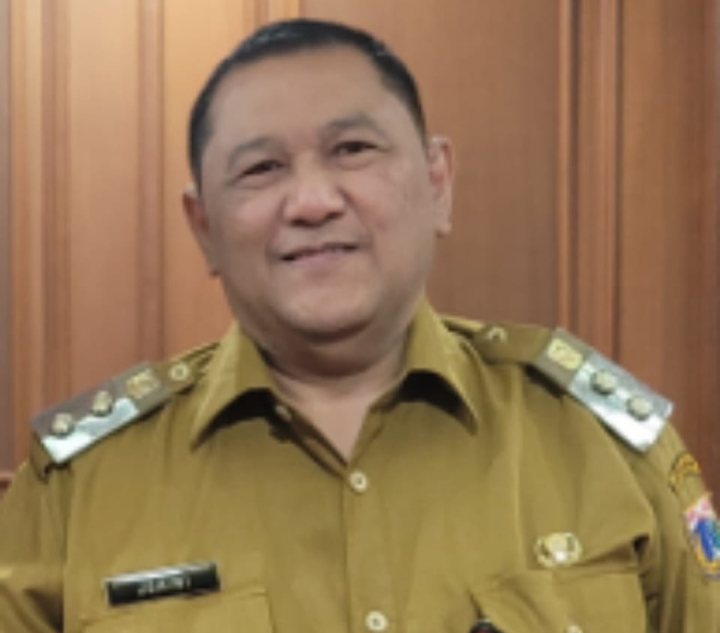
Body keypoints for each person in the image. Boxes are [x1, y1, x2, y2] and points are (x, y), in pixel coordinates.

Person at [0, 18, 718, 633]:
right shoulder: (77, 490)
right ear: (204, 227)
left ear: (437, 183)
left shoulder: (604, 448)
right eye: (261, 168)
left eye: (353, 150)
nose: (312, 201)